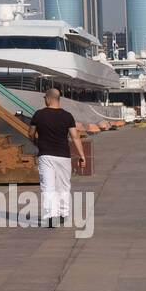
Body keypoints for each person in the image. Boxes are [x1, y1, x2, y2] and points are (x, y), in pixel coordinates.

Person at [27, 88, 86, 227]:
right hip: (63, 156)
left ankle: (51, 216)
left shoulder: (38, 115)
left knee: (47, 186)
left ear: (48, 98)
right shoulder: (67, 116)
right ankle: (63, 213)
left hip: (45, 155)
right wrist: (82, 155)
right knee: (63, 186)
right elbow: (75, 137)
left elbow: (30, 134)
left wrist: (36, 142)